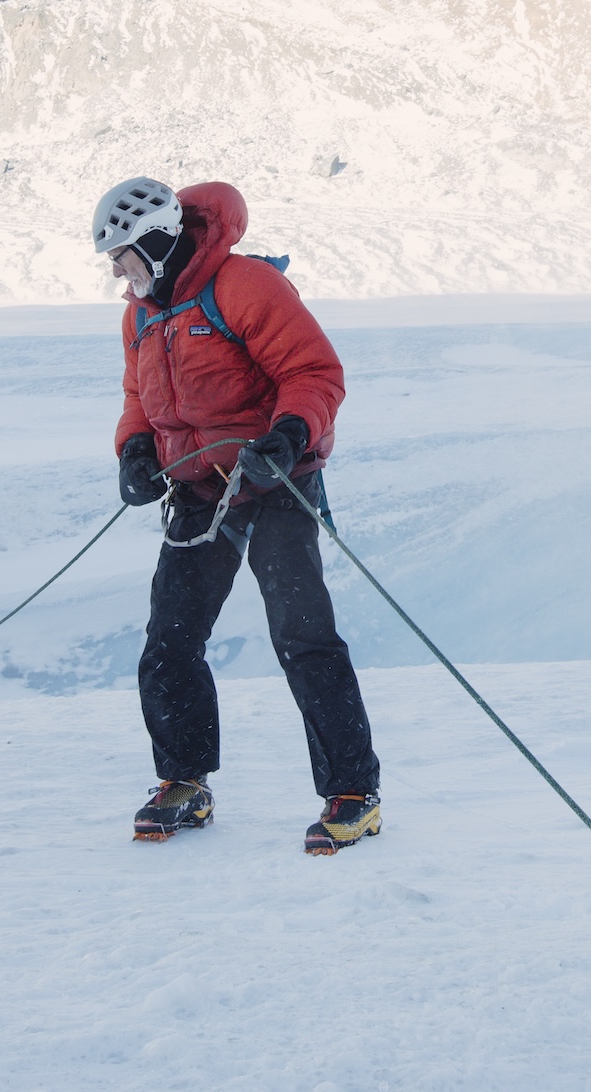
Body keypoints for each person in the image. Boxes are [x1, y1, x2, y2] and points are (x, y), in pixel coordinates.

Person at [93, 176, 382, 855]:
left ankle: (353, 794)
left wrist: (285, 437)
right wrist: (134, 448)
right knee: (170, 637)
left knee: (302, 635)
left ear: (157, 243)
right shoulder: (139, 315)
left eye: (122, 253)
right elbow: (139, 395)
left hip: (277, 478)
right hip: (198, 489)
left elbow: (314, 373)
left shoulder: (244, 286)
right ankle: (184, 783)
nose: (114, 269)